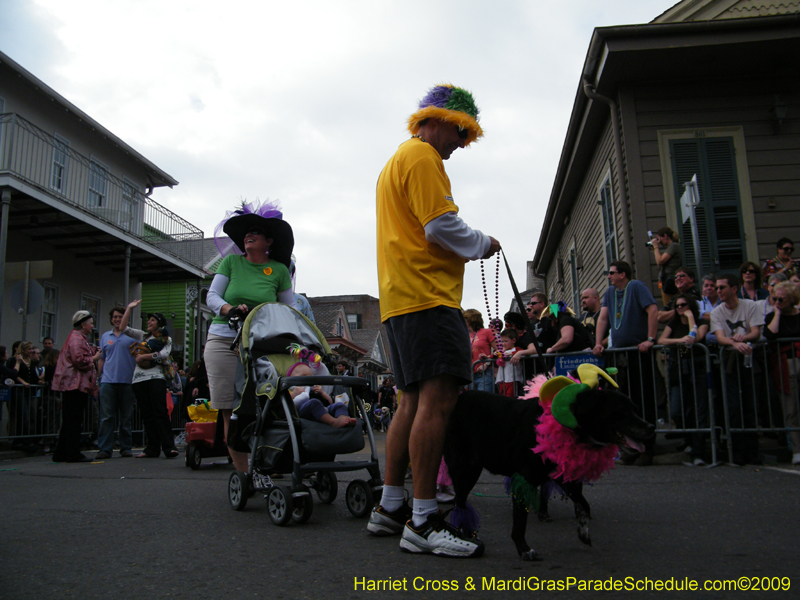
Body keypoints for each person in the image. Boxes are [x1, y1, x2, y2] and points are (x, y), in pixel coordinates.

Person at [370, 83, 499, 557]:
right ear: (442, 120)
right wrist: (484, 243)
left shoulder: (396, 161)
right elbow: (440, 226)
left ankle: (390, 506)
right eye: (461, 133)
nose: (461, 145)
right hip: (428, 297)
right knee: (436, 402)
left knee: (410, 401)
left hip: (400, 299)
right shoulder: (424, 157)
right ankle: (423, 520)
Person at [205, 199, 295, 472]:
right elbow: (212, 296)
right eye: (246, 232)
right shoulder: (231, 263)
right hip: (224, 339)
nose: (248, 235)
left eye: (256, 231)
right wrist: (230, 309)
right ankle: (245, 474)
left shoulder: (279, 270)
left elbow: (289, 311)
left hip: (261, 344)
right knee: (230, 409)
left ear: (269, 241)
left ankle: (265, 463)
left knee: (265, 403)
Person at [592, 260, 659, 465]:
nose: (609, 276)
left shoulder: (636, 286)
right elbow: (603, 318)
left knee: (643, 399)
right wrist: (598, 343)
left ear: (623, 274)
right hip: (620, 355)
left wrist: (650, 339)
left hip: (638, 352)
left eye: (612, 273)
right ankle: (632, 447)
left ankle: (648, 447)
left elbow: (653, 310)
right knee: (626, 401)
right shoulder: (610, 293)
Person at [710, 274, 765, 465]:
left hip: (750, 357)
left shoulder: (750, 306)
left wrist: (744, 339)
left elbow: (756, 331)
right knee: (732, 406)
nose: (718, 291)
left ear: (734, 289)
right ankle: (737, 450)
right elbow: (720, 337)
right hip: (729, 360)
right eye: (717, 287)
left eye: (722, 287)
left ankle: (753, 450)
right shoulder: (717, 312)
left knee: (750, 403)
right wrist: (735, 342)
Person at [657, 293, 710, 466]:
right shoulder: (674, 323)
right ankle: (689, 439)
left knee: (698, 410)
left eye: (683, 305)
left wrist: (690, 318)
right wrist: (680, 340)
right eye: (677, 305)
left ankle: (698, 451)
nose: (679, 308)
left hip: (697, 367)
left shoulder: (701, 322)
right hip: (678, 368)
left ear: (691, 306)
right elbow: (662, 339)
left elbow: (696, 338)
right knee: (677, 410)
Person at [127, 309, 179, 459]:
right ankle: (152, 448)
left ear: (159, 324)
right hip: (139, 379)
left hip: (156, 377)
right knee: (146, 414)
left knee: (160, 411)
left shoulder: (166, 339)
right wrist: (130, 308)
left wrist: (144, 356)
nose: (149, 322)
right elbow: (124, 329)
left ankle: (169, 447)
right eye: (149, 320)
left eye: (153, 320)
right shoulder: (142, 336)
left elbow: (163, 354)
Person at [51, 311, 102, 463]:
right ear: (83, 324)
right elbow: (78, 360)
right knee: (74, 420)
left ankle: (61, 452)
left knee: (70, 420)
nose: (92, 326)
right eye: (91, 323)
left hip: (75, 384)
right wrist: (94, 358)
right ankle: (72, 453)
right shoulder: (76, 339)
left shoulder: (79, 338)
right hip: (74, 384)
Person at [94, 302, 140, 460]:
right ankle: (104, 449)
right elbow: (102, 358)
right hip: (108, 382)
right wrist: (99, 378)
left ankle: (126, 447)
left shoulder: (132, 337)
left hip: (127, 382)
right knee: (106, 417)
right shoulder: (105, 337)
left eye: (120, 317)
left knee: (126, 418)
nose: (117, 319)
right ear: (111, 319)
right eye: (115, 317)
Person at [763, 281, 800, 465]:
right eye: (775, 298)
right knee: (791, 409)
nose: (777, 302)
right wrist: (777, 314)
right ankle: (797, 449)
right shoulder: (772, 316)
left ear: (792, 299)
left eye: (781, 299)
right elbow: (771, 334)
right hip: (785, 364)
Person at [288, 362, 356, 427]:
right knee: (314, 402)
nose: (308, 379)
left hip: (323, 411)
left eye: (311, 377)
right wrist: (294, 394)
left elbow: (330, 403)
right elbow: (284, 404)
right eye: (304, 376)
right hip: (302, 413)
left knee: (339, 405)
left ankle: (343, 418)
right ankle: (334, 422)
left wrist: (322, 393)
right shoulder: (289, 390)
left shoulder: (314, 390)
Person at [463, 308, 497, 393]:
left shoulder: (487, 332)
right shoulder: (465, 335)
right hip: (470, 374)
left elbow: (500, 351)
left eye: (464, 319)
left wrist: (487, 363)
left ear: (471, 320)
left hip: (485, 373)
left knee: (484, 399)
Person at [650, 227, 682, 304]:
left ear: (665, 236)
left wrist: (656, 247)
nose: (659, 241)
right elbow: (659, 263)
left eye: (659, 238)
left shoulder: (674, 246)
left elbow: (660, 261)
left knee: (671, 304)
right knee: (666, 304)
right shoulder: (669, 248)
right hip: (663, 280)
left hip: (670, 280)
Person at [495, 329, 524, 398]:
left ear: (513, 340)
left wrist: (511, 353)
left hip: (512, 379)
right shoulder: (500, 351)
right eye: (502, 341)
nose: (503, 344)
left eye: (505, 341)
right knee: (502, 398)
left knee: (510, 397)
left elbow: (522, 351)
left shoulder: (516, 349)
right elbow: (492, 356)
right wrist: (487, 356)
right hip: (502, 379)